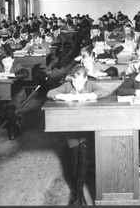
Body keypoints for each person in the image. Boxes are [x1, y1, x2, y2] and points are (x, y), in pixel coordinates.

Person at [47, 66, 110, 205]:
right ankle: (79, 193)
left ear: (86, 79)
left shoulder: (90, 85)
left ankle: (77, 193)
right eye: (75, 82)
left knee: (81, 152)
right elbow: (51, 92)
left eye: (80, 82)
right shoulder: (67, 85)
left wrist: (89, 95)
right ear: (72, 79)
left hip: (88, 127)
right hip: (72, 128)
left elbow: (104, 92)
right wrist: (64, 96)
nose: (78, 85)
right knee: (76, 153)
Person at [0, 45, 29, 140]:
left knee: (9, 112)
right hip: (2, 95)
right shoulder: (0, 67)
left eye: (9, 61)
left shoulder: (16, 67)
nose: (7, 64)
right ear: (2, 61)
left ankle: (13, 129)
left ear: (13, 60)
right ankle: (14, 120)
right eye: (4, 62)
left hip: (16, 95)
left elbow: (25, 73)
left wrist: (11, 74)